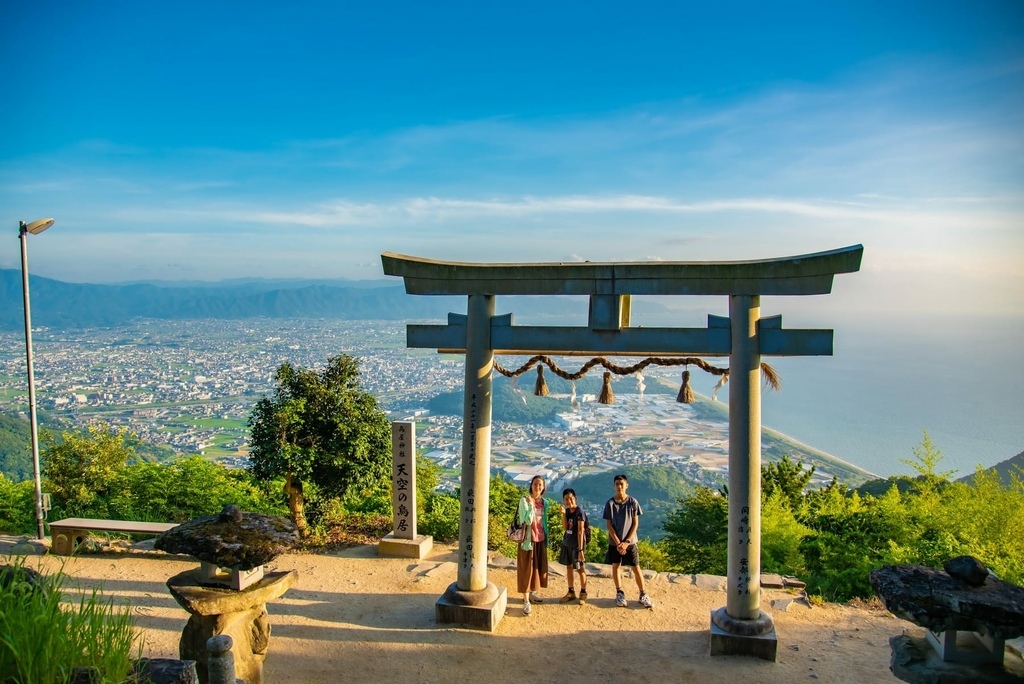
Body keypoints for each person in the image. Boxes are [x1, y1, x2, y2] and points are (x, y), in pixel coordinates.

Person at [603, 473, 653, 608]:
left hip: (630, 543)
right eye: (617, 484)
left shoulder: (633, 502)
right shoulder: (610, 504)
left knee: (636, 567)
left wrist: (627, 541)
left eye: (622, 484)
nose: (619, 486)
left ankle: (643, 594)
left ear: (626, 485)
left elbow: (635, 524)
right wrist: (619, 542)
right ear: (614, 486)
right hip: (615, 543)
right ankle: (619, 592)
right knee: (616, 566)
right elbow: (609, 525)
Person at [516, 475, 549, 615]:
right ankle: (525, 600)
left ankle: (533, 592)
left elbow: (544, 523)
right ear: (531, 485)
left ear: (543, 487)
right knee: (526, 569)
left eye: (540, 485)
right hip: (527, 541)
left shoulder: (545, 502)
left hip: (540, 539)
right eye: (535, 484)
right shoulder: (524, 500)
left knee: (537, 567)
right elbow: (527, 520)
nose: (538, 487)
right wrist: (531, 505)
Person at [557, 488, 588, 604]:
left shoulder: (580, 512)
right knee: (569, 568)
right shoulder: (567, 511)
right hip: (567, 544)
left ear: (575, 498)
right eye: (566, 499)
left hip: (576, 545)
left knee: (580, 569)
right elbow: (565, 528)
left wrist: (580, 550)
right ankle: (571, 592)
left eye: (571, 498)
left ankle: (583, 593)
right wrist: (563, 515)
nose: (569, 500)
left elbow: (580, 531)